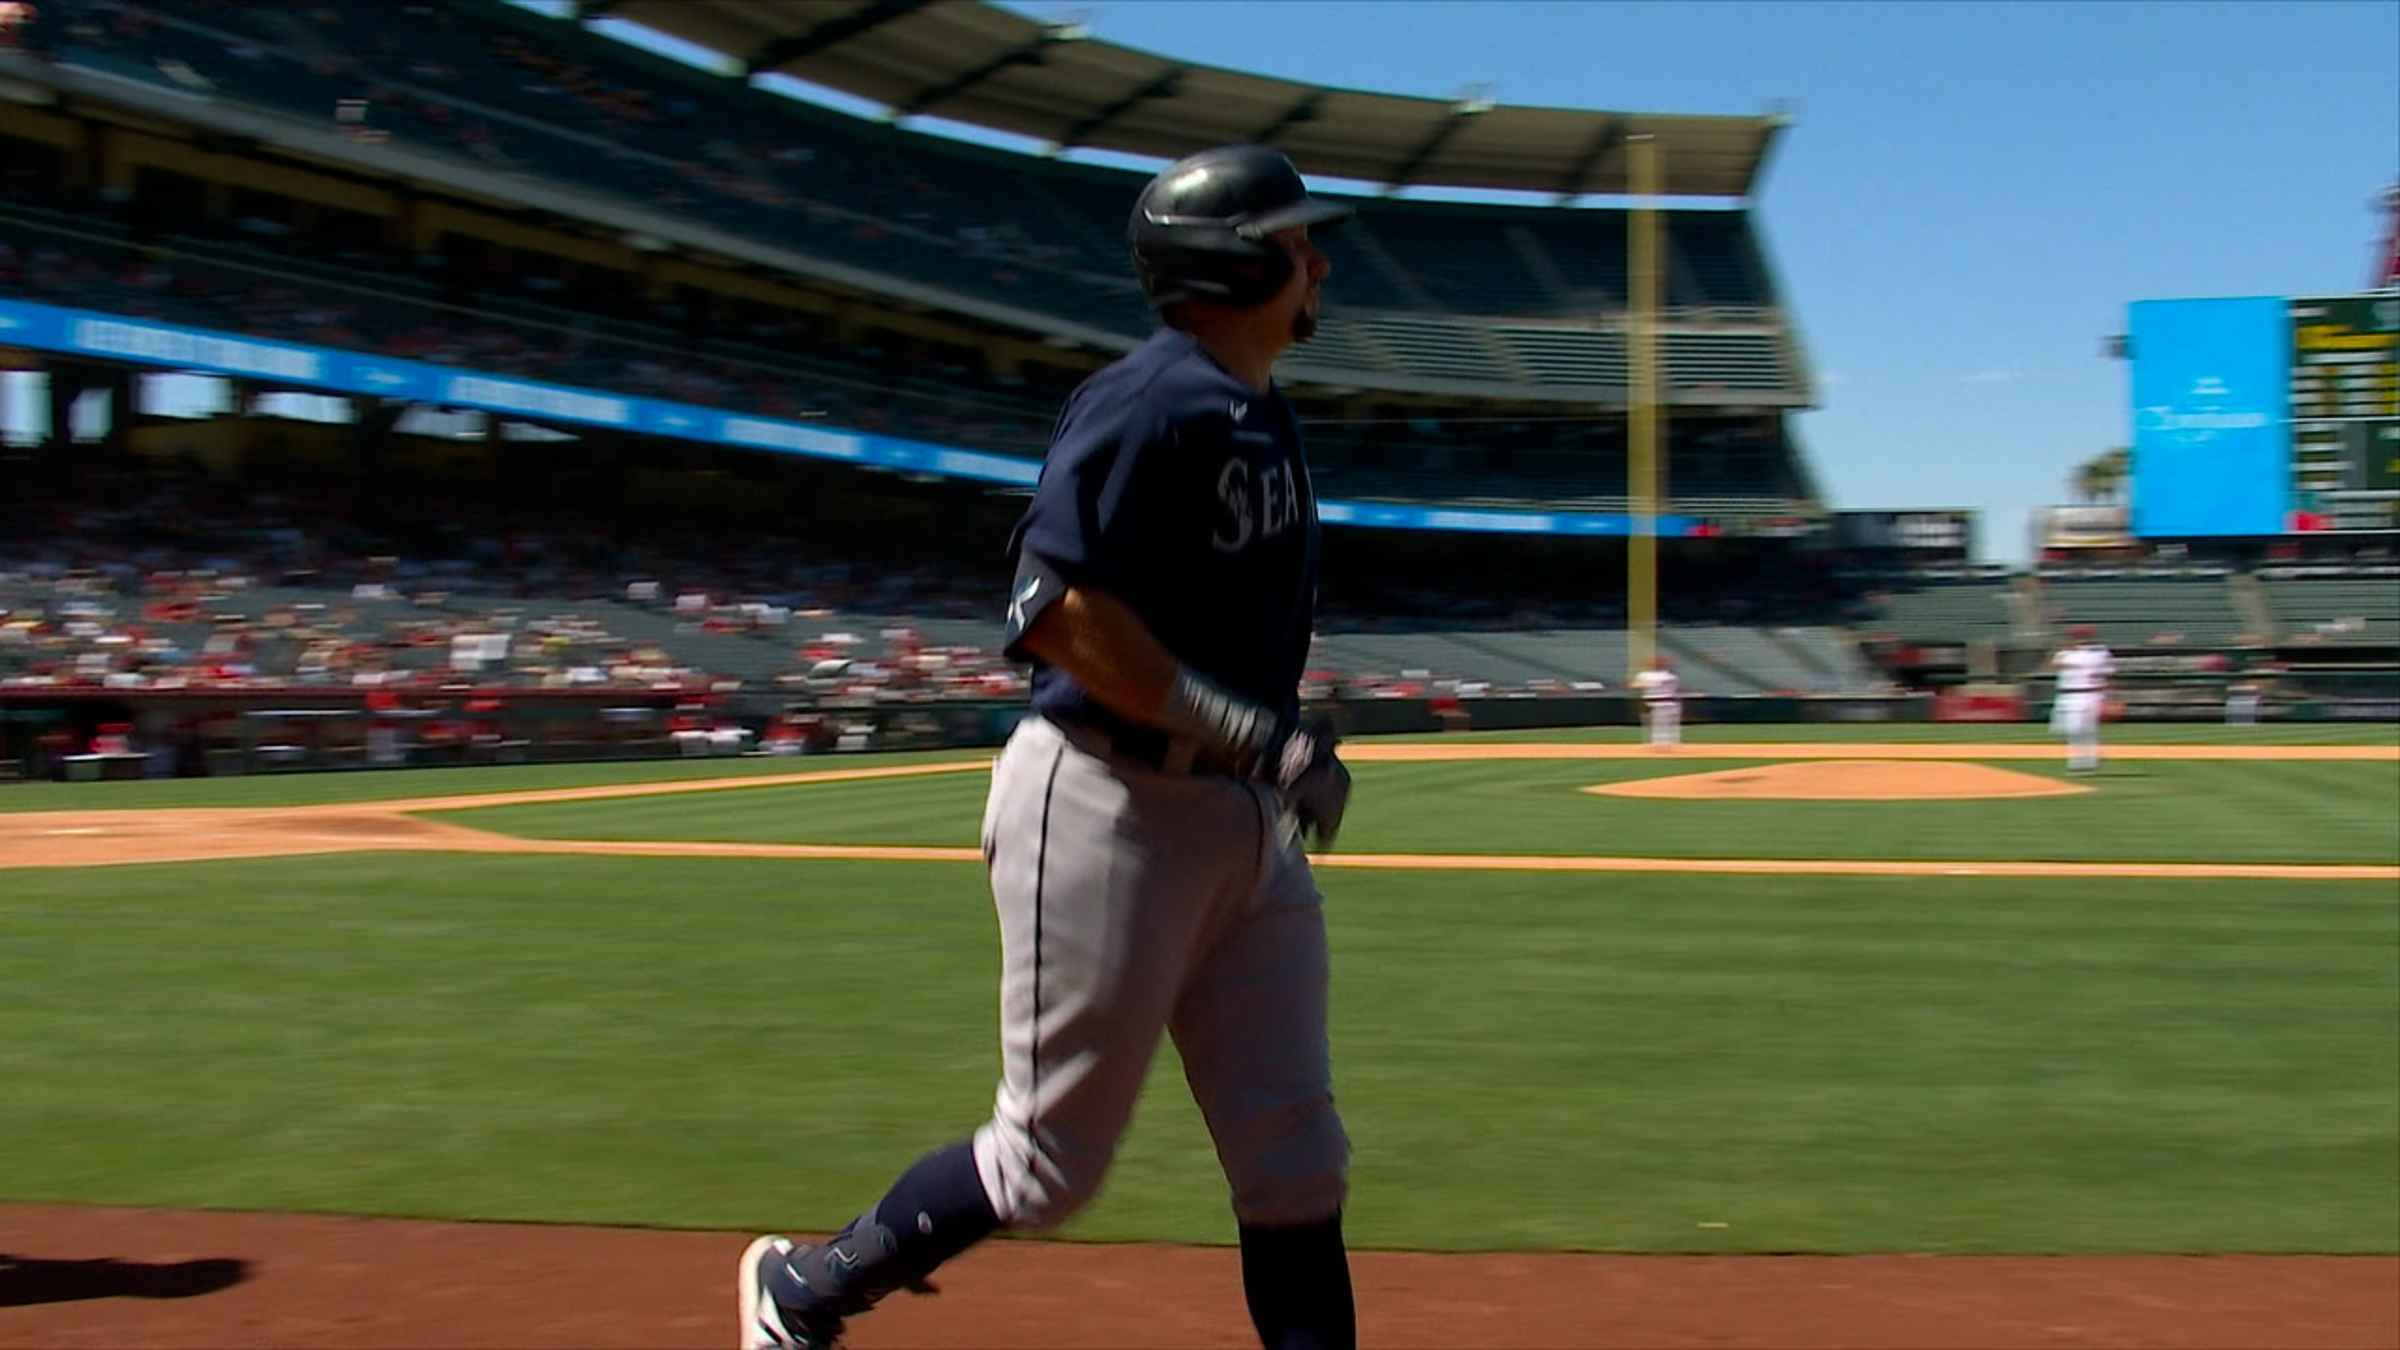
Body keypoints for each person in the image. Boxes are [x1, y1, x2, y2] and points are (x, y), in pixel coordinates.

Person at [739, 144, 1359, 1350]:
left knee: (1298, 1162)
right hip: (1105, 808)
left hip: (1235, 826)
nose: (1320, 259)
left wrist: (1278, 735)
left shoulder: (1258, 411)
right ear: (1235, 261)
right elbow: (1053, 611)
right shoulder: (1150, 400)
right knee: (1047, 1166)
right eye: (1297, 242)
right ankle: (805, 1291)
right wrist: (1256, 732)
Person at [2050, 624, 2114, 772]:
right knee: (2067, 729)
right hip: (2066, 694)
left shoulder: (2099, 653)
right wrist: (2067, 652)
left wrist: (2108, 697)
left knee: (2083, 728)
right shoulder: (2064, 653)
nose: (2079, 639)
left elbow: (2106, 673)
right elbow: (2055, 664)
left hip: (2089, 693)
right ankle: (2092, 754)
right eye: (2076, 636)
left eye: (2082, 636)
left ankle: (2082, 762)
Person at [1630, 654, 1681, 749]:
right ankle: (1657, 743)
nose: (1659, 664)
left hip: (1665, 701)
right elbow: (1635, 685)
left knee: (1663, 723)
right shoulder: (1644, 675)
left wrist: (1648, 684)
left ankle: (1666, 743)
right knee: (1651, 723)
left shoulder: (1669, 676)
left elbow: (1671, 687)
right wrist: (1644, 684)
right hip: (1651, 701)